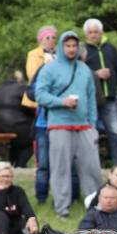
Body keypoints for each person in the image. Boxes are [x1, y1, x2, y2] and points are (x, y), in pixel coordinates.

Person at [35, 30, 102, 219]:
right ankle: (62, 211)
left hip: (85, 127)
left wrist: (93, 126)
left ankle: (96, 209)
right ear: (61, 47)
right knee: (60, 170)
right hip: (59, 126)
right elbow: (39, 94)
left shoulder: (85, 69)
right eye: (68, 46)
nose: (71, 49)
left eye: (74, 46)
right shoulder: (49, 68)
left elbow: (91, 99)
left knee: (92, 170)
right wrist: (61, 101)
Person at [82, 19, 117, 166]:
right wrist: (96, 74)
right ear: (86, 34)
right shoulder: (83, 50)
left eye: (96, 32)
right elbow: (80, 73)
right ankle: (92, 164)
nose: (93, 35)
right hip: (91, 99)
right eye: (90, 32)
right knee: (91, 133)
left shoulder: (110, 48)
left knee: (115, 132)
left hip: (110, 98)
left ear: (101, 33)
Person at [25, 26, 59, 205]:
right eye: (48, 37)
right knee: (43, 162)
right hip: (42, 117)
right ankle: (41, 199)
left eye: (54, 37)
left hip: (61, 119)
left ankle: (64, 198)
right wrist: (45, 66)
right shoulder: (34, 55)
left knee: (62, 164)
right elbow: (31, 79)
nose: (51, 40)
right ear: (41, 40)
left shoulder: (63, 57)